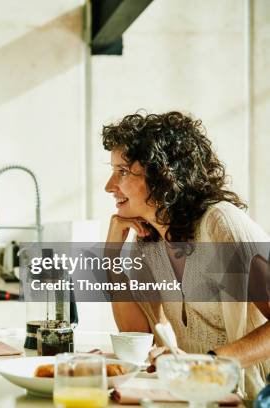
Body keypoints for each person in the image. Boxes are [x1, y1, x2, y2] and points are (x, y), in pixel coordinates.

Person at [102, 111, 270, 398]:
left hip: (253, 396)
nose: (109, 186)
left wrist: (208, 365)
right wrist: (111, 257)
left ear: (161, 173)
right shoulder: (149, 242)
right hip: (200, 397)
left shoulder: (220, 226)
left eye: (123, 171)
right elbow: (138, 334)